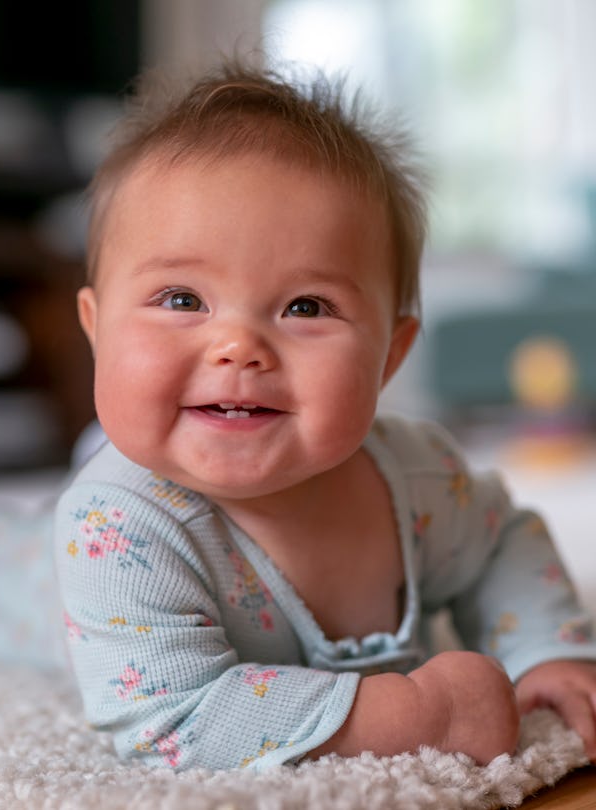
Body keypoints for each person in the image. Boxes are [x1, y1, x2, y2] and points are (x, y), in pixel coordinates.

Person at [54, 61, 596, 772]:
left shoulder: (418, 475)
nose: (238, 347)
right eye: (182, 299)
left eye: (305, 307)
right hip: (53, 586)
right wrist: (416, 714)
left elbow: (500, 547)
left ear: (390, 355)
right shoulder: (113, 529)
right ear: (97, 329)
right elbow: (174, 721)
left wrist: (545, 650)